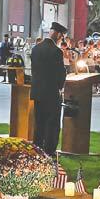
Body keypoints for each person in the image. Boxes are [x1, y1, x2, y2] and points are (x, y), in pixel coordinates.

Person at [30, 22, 68, 153]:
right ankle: (49, 151)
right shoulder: (56, 51)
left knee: (39, 123)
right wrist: (60, 87)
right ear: (58, 35)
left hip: (37, 92)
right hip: (51, 93)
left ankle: (37, 150)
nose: (61, 40)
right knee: (52, 124)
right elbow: (60, 73)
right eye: (62, 37)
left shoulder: (36, 48)